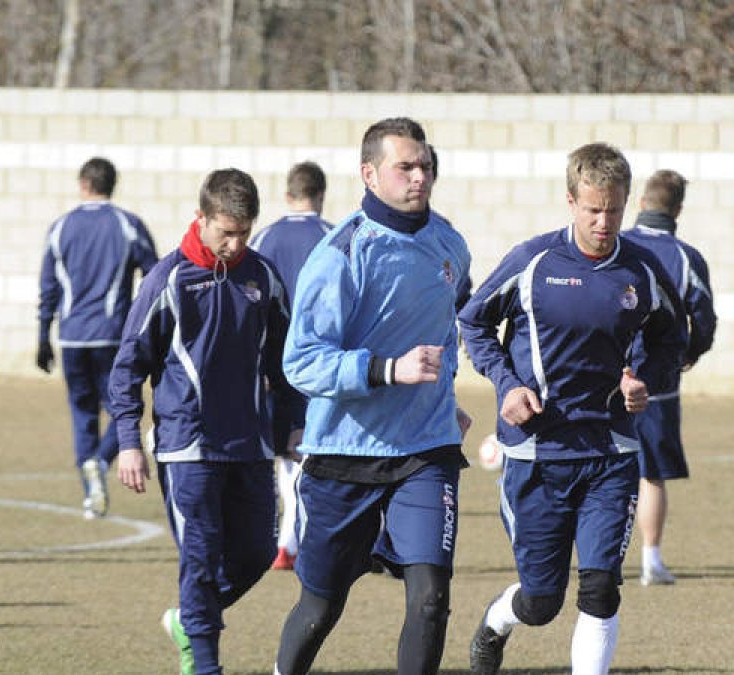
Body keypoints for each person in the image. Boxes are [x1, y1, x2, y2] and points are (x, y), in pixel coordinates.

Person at [458, 143, 685, 675]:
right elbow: (473, 323)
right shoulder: (532, 262)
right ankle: (496, 623)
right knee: (541, 601)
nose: (604, 221)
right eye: (593, 209)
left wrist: (644, 381)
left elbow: (671, 339)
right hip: (539, 453)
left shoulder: (642, 270)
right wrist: (507, 386)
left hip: (611, 450)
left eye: (614, 209)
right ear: (571, 200)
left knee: (602, 586)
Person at [272, 117, 472, 675]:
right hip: (344, 455)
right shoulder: (339, 254)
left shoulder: (450, 243)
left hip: (425, 451)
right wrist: (387, 370)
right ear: (369, 173)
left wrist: (445, 395)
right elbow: (301, 362)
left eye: (426, 165)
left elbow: (444, 333)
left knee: (431, 596)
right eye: (405, 166)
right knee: (320, 605)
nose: (419, 176)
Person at [109, 168, 303, 675]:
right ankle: (205, 665)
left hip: (252, 445)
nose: (234, 245)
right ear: (201, 219)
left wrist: (289, 427)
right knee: (200, 557)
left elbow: (286, 364)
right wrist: (129, 441)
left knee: (259, 553)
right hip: (187, 444)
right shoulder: (168, 279)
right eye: (225, 233)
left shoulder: (263, 277)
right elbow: (129, 366)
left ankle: (189, 620)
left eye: (244, 233)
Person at [37, 157, 158, 519]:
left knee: (82, 412)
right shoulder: (128, 225)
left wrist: (43, 335)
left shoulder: (60, 228)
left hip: (72, 337)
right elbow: (155, 276)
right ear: (112, 184)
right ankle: (100, 462)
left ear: (82, 183)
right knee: (124, 408)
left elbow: (48, 286)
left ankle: (91, 493)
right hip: (112, 336)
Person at [621, 169, 717, 585]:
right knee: (650, 471)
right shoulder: (686, 257)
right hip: (656, 381)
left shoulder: (615, 244)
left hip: (605, 375)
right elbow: (705, 318)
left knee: (593, 464)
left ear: (641, 203)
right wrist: (689, 354)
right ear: (678, 209)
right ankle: (650, 561)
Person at [247, 160, 333, 571]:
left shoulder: (263, 238)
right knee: (311, 449)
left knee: (286, 450)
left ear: (287, 195)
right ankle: (293, 539)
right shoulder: (335, 237)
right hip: (324, 362)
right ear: (321, 194)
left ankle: (288, 539)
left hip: (278, 362)